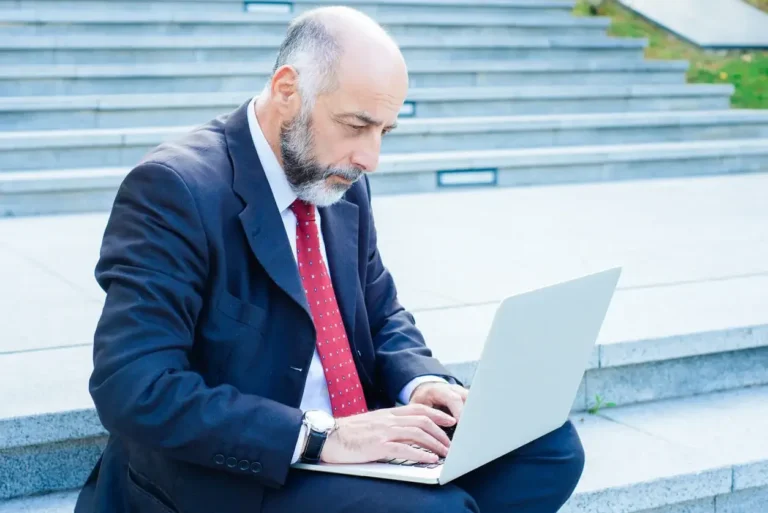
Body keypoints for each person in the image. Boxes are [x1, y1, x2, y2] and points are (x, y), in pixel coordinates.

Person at [74, 6, 584, 513]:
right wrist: (320, 437)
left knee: (549, 448)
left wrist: (423, 382)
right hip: (237, 468)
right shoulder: (174, 189)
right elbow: (133, 387)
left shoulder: (338, 182)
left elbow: (382, 313)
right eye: (357, 125)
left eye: (384, 131)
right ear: (287, 90)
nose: (371, 158)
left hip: (350, 439)